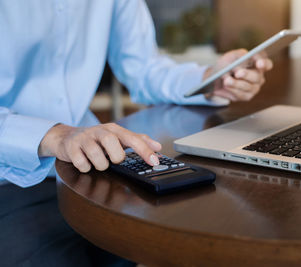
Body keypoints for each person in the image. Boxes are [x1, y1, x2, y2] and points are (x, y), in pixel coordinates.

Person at [0, 0, 272, 265]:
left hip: (87, 171)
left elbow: (143, 68)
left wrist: (211, 79)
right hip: (9, 180)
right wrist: (55, 136)